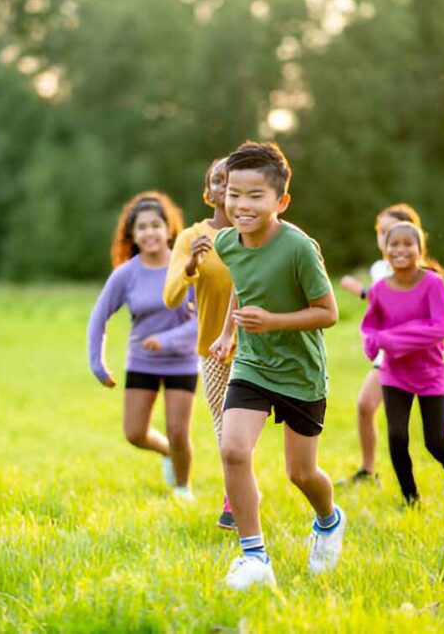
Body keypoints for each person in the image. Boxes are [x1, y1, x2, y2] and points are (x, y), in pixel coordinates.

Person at [208, 141, 344, 590]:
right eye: (233, 194)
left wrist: (273, 322)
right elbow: (243, 287)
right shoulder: (227, 242)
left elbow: (328, 312)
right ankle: (254, 558)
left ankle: (328, 520)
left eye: (255, 196)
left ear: (280, 201)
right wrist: (231, 332)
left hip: (301, 374)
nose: (241, 205)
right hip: (251, 365)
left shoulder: (298, 248)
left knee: (301, 473)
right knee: (232, 449)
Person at [338, 205, 444, 489]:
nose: (397, 248)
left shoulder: (432, 282)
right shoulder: (380, 284)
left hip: (429, 369)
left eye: (405, 242)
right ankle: (407, 498)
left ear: (418, 245)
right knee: (396, 436)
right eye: (387, 238)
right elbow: (371, 325)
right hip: (393, 368)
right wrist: (373, 344)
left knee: (435, 439)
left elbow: (440, 328)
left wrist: (390, 338)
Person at [87, 191, 199, 500]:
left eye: (155, 225)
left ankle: (182, 487)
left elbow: (202, 321)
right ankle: (167, 453)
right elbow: (98, 317)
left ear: (169, 229)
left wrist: (166, 340)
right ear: (133, 236)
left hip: (182, 360)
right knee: (134, 434)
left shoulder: (186, 266)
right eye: (142, 228)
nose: (149, 233)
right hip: (142, 361)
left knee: (179, 431)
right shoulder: (126, 274)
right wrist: (97, 364)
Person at [163, 157, 237, 530]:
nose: (227, 186)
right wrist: (192, 264)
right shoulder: (192, 237)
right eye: (219, 180)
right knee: (228, 432)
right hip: (215, 352)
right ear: (210, 192)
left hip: (263, 346)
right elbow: (171, 296)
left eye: (234, 179)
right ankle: (235, 500)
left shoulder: (259, 231)